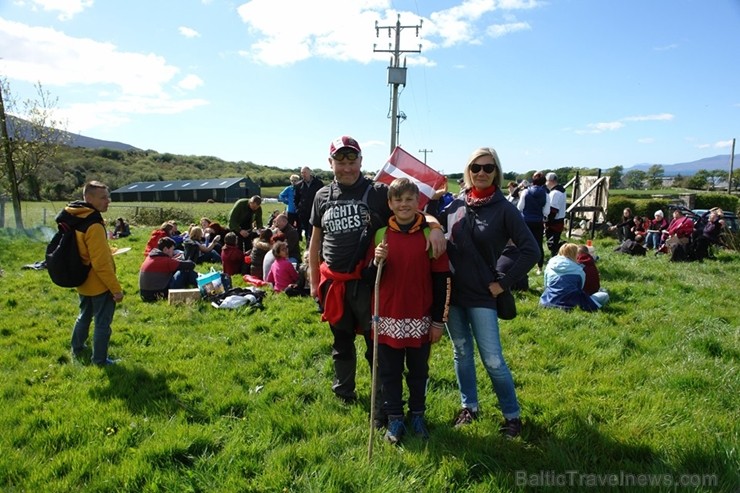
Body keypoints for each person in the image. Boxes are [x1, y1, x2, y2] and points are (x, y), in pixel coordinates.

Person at [308, 135, 446, 425]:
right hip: (333, 283)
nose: (347, 167)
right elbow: (315, 241)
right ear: (330, 162)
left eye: (352, 160)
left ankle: (383, 401)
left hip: (371, 281)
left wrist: (434, 226)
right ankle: (343, 391)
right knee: (341, 340)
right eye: (340, 161)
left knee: (377, 344)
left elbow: (411, 209)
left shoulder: (378, 191)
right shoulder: (321, 195)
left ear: (360, 160)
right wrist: (312, 280)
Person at [441, 147, 539, 438]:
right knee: (461, 352)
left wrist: (504, 282)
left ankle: (512, 416)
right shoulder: (455, 205)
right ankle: (469, 407)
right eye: (476, 168)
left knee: (493, 359)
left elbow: (531, 250)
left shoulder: (504, 208)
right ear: (467, 172)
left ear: (497, 171)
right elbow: (432, 227)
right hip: (453, 293)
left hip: (483, 295)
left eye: (488, 168)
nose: (481, 173)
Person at [364, 178, 451, 444]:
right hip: (387, 317)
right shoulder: (381, 235)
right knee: (389, 371)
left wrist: (439, 321)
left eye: (409, 199)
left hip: (420, 318)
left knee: (418, 371)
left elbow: (443, 280)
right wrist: (376, 261)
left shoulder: (429, 235)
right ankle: (395, 418)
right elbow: (369, 280)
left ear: (418, 203)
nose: (403, 205)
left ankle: (417, 415)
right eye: (398, 200)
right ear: (390, 204)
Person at [67, 181, 123, 366]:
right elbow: (101, 265)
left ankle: (77, 348)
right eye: (103, 197)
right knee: (102, 324)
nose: (108, 201)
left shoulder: (76, 217)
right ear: (89, 198)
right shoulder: (94, 225)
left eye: (108, 196)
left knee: (84, 315)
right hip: (99, 283)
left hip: (81, 280)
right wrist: (115, 289)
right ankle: (99, 361)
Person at [540, 243, 609, 311]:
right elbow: (580, 288)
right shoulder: (578, 269)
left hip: (546, 302)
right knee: (604, 295)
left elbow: (546, 285)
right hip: (571, 305)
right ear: (576, 254)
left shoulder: (549, 266)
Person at [138, 237, 198, 301]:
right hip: (159, 294)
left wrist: (174, 260)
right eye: (172, 250)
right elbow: (191, 265)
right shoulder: (166, 261)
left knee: (180, 269)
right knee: (185, 270)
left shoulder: (151, 257)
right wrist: (180, 260)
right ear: (166, 249)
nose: (173, 252)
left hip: (145, 294)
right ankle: (203, 285)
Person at [517, 171, 550, 275]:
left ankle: (521, 267)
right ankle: (539, 268)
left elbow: (520, 207)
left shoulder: (525, 192)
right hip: (538, 222)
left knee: (522, 244)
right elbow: (546, 212)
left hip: (525, 221)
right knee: (538, 244)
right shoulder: (545, 194)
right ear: (543, 183)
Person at [295, 166, 324, 245]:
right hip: (303, 212)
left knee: (315, 230)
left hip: (315, 211)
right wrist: (298, 209)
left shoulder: (318, 183)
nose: (303, 174)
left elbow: (323, 197)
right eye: (302, 173)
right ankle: (308, 246)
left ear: (309, 172)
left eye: (305, 172)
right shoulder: (298, 185)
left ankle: (316, 246)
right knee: (307, 230)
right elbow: (296, 199)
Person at [545, 172, 567, 257]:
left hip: (554, 222)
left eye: (546, 181)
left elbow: (553, 210)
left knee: (552, 244)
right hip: (558, 220)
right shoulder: (561, 190)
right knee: (553, 242)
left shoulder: (555, 193)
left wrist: (548, 222)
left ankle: (563, 251)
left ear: (550, 181)